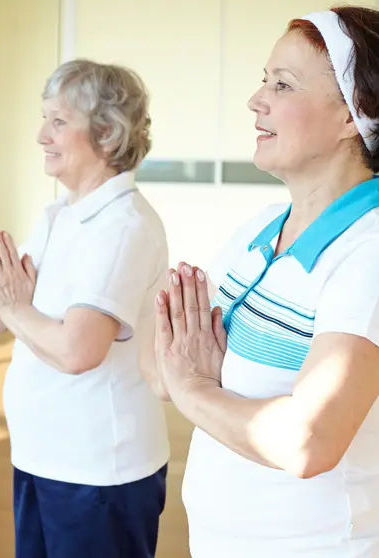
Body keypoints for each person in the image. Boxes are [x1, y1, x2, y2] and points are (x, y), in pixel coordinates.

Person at [152, 6, 379, 557]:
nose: (258, 100)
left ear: (354, 114)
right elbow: (163, 367)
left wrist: (196, 389)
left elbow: (308, 440)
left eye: (283, 84)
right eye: (263, 81)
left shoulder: (368, 251)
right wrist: (181, 374)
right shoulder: (257, 233)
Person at [0, 59, 170, 558]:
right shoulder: (61, 214)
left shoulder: (123, 226)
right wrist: (12, 307)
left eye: (58, 121)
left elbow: (78, 349)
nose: (41, 135)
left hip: (99, 470)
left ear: (106, 133)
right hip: (43, 455)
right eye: (44, 118)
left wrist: (13, 304)